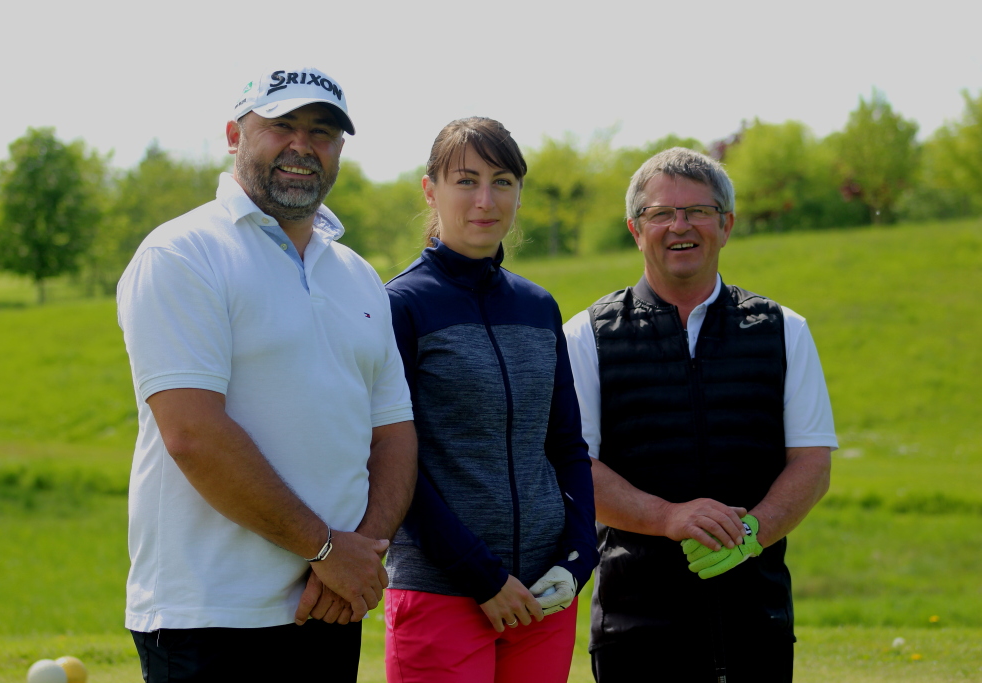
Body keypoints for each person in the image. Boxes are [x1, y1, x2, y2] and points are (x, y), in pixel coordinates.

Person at [116, 66, 417, 683]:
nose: (303, 145)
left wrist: (359, 556)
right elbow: (193, 434)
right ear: (234, 135)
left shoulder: (358, 275)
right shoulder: (182, 254)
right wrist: (325, 548)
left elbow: (393, 434)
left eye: (323, 132)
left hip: (330, 607)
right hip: (208, 616)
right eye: (282, 126)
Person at [563, 147, 837, 683]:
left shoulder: (785, 329)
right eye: (661, 213)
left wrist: (754, 531)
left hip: (758, 622)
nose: (680, 226)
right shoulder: (585, 336)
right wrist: (668, 517)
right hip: (633, 629)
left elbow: (811, 462)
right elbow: (574, 467)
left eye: (698, 211)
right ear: (635, 229)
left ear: (726, 225)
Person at [382, 117, 599, 683]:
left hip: (544, 595)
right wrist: (481, 577)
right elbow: (391, 465)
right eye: (466, 181)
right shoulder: (399, 306)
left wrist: (580, 556)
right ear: (430, 190)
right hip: (442, 592)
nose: (486, 199)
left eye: (502, 182)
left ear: (519, 194)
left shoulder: (538, 306)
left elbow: (566, 446)